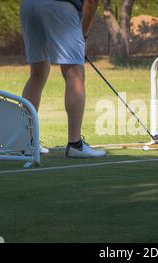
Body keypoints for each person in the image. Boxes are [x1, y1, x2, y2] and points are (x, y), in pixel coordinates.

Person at [20, 0, 105, 158]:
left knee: (37, 73)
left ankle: (27, 143)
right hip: (60, 6)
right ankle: (75, 145)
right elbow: (91, 2)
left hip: (28, 5)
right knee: (74, 74)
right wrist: (83, 33)